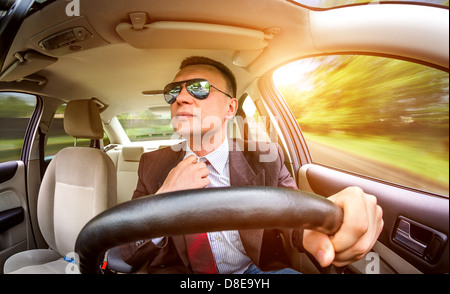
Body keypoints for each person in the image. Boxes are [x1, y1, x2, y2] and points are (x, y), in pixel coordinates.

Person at [118, 56, 384, 274]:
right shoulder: (152, 164)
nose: (181, 99)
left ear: (231, 108)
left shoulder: (264, 156)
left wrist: (322, 223)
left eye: (199, 88)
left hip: (252, 272)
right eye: (173, 91)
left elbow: (293, 212)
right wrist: (164, 200)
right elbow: (128, 251)